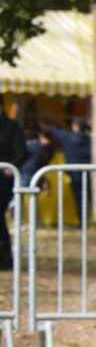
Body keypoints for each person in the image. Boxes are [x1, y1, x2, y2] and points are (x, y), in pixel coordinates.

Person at [46, 116, 93, 222]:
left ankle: (82, 222)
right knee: (86, 198)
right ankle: (86, 221)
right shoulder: (90, 140)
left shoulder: (67, 137)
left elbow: (52, 131)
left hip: (74, 173)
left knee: (79, 199)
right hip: (88, 173)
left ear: (75, 126)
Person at [0, 100, 26, 271]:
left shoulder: (12, 127)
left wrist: (10, 168)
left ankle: (5, 259)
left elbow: (21, 153)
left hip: (2, 180)